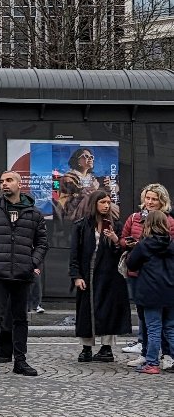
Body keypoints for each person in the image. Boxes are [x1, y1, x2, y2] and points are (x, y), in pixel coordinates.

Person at [0, 171, 47, 378]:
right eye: (2, 181)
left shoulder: (33, 213)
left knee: (20, 318)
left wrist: (31, 262)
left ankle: (20, 361)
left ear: (19, 183)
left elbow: (42, 242)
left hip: (22, 273)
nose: (4, 184)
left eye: (9, 180)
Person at [66, 190, 130, 362]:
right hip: (88, 272)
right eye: (102, 202)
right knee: (86, 310)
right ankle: (86, 347)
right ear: (94, 204)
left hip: (109, 274)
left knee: (108, 309)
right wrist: (76, 275)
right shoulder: (81, 225)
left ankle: (106, 348)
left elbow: (122, 252)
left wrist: (116, 240)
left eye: (108, 202)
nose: (106, 205)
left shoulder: (116, 225)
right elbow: (74, 253)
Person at [120, 184, 174, 358]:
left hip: (159, 275)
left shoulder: (169, 221)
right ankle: (145, 349)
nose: (149, 202)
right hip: (138, 274)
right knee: (145, 315)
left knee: (160, 321)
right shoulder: (135, 218)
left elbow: (167, 245)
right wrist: (126, 244)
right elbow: (123, 238)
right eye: (147, 198)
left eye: (154, 199)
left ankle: (157, 358)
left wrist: (142, 247)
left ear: (162, 201)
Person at [57, 146, 105, 223]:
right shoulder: (68, 178)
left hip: (89, 209)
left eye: (91, 157)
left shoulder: (93, 178)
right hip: (72, 210)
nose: (90, 159)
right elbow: (70, 198)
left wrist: (108, 186)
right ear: (77, 161)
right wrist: (89, 190)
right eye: (86, 156)